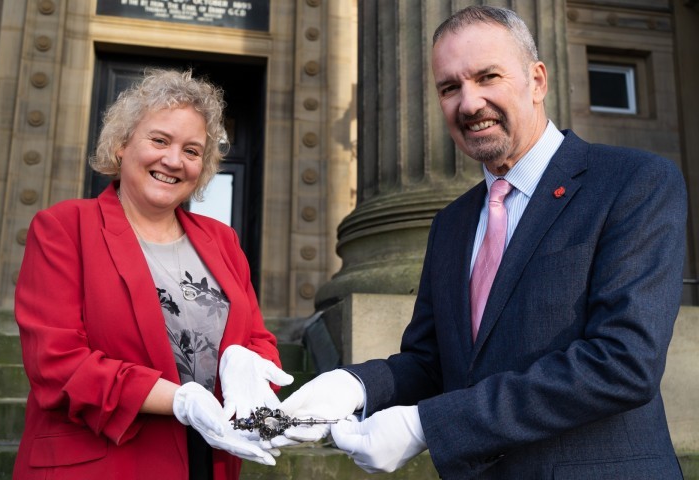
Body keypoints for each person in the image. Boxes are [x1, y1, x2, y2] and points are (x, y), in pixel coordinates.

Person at [273, 6, 687, 479]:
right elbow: (431, 363)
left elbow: (623, 365)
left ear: (537, 81)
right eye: (450, 87)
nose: (469, 104)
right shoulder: (451, 223)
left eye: (487, 76)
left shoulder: (634, 182)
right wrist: (355, 384)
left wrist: (425, 425)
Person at [13, 69, 293, 480]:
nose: (174, 160)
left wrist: (248, 367)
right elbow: (57, 364)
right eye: (160, 140)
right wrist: (178, 399)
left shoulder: (223, 241)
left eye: (193, 151)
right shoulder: (64, 228)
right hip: (102, 463)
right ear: (122, 145)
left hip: (207, 461)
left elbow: (258, 340)